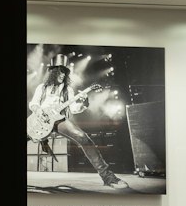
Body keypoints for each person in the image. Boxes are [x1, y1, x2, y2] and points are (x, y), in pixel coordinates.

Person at [28, 58, 127, 188]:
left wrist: (84, 103)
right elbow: (33, 104)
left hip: (58, 120)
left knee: (83, 138)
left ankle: (109, 178)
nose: (62, 75)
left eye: (64, 72)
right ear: (53, 72)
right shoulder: (42, 87)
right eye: (60, 72)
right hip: (38, 120)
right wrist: (40, 112)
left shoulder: (67, 90)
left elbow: (74, 108)